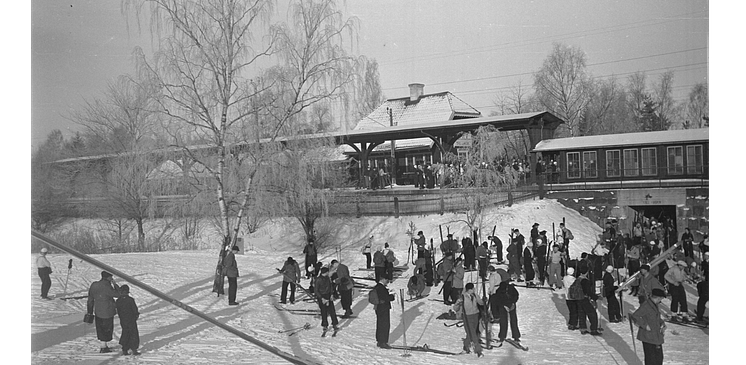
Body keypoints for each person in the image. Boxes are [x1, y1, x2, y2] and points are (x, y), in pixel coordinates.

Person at [86, 271, 122, 353]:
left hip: (98, 311)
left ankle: (103, 346)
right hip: (108, 311)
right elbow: (119, 294)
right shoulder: (107, 286)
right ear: (108, 277)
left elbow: (90, 300)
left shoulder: (94, 285)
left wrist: (90, 312)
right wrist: (115, 284)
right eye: (111, 277)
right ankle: (104, 347)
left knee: (100, 328)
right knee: (107, 329)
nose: (112, 278)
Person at [630, 288, 667, 365]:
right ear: (657, 297)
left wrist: (662, 323)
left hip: (656, 335)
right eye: (661, 299)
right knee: (651, 360)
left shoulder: (654, 305)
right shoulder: (646, 306)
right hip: (648, 337)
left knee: (659, 358)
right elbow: (635, 316)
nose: (660, 301)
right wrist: (645, 325)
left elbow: (655, 317)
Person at [457, 283, 485, 358]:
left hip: (475, 315)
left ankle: (465, 348)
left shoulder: (475, 295)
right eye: (473, 288)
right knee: (473, 334)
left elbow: (481, 303)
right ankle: (478, 350)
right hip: (467, 317)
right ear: (469, 289)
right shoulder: (463, 297)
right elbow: (455, 307)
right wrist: (458, 304)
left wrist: (484, 299)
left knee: (470, 333)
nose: (474, 290)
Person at [494, 271, 521, 344]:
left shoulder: (499, 290)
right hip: (509, 306)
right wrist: (512, 303)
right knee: (513, 321)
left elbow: (497, 300)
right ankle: (516, 336)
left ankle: (502, 337)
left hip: (505, 306)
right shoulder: (511, 288)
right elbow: (516, 296)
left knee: (504, 322)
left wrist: (506, 305)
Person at [115, 285, 140, 356]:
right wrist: (136, 315)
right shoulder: (130, 300)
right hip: (131, 319)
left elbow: (117, 310)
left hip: (123, 319)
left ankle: (125, 349)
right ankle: (134, 349)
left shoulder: (118, 300)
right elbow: (134, 309)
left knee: (125, 332)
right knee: (133, 333)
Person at [576, 267, 602, 336]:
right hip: (584, 298)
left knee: (582, 314)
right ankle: (594, 330)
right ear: (587, 272)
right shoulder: (585, 281)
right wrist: (596, 297)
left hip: (578, 298)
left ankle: (583, 328)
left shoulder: (578, 279)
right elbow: (588, 292)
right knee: (592, 314)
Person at [314, 267, 339, 333]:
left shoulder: (328, 278)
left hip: (328, 295)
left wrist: (331, 294)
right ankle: (325, 325)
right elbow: (316, 290)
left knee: (332, 311)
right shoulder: (318, 280)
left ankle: (334, 324)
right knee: (324, 311)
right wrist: (321, 298)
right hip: (322, 296)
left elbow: (330, 286)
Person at [373, 276, 395, 348]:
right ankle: (383, 342)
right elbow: (385, 298)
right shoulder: (381, 288)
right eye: (386, 279)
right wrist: (392, 296)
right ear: (382, 279)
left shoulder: (377, 287)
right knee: (385, 325)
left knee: (380, 324)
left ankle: (379, 340)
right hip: (383, 308)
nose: (387, 281)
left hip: (379, 307)